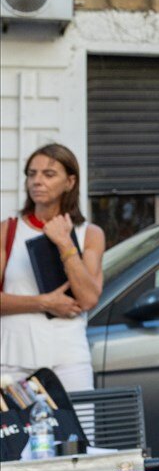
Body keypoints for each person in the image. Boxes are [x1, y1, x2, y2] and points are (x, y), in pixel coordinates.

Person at [1, 144, 105, 391]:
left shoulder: (89, 234)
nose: (37, 181)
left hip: (68, 359)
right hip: (12, 360)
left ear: (70, 182)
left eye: (49, 174)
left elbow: (88, 298)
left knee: (78, 430)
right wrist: (44, 302)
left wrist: (64, 242)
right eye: (32, 173)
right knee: (14, 430)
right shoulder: (8, 231)